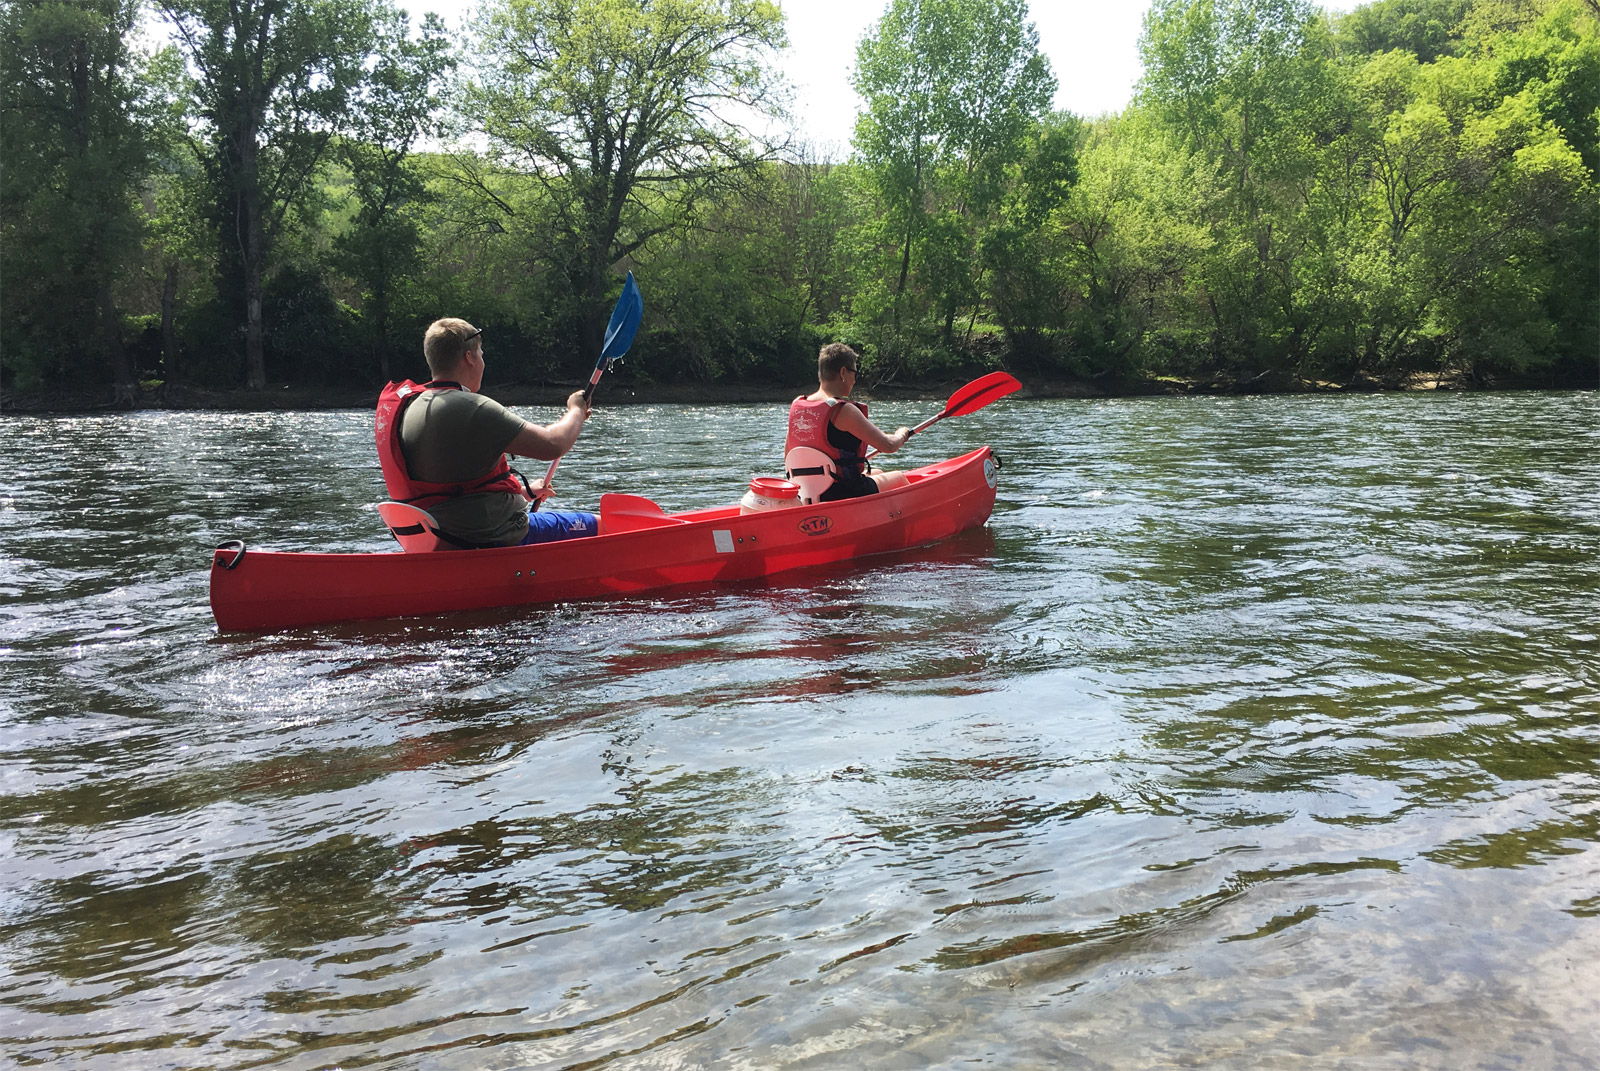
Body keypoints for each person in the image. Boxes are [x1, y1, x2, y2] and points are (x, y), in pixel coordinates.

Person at [375, 318, 598, 548]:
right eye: (481, 354)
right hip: (490, 537)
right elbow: (553, 444)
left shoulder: (412, 407)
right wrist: (576, 409)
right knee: (600, 526)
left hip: (439, 538)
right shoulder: (473, 408)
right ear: (469, 358)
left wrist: (523, 492)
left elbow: (451, 487)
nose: (482, 361)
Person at [785, 343, 911, 501]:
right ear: (843, 372)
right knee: (898, 477)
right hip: (841, 491)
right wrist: (902, 434)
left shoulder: (798, 405)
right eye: (854, 373)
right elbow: (889, 445)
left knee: (877, 472)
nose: (854, 380)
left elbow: (788, 455)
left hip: (807, 491)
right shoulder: (843, 410)